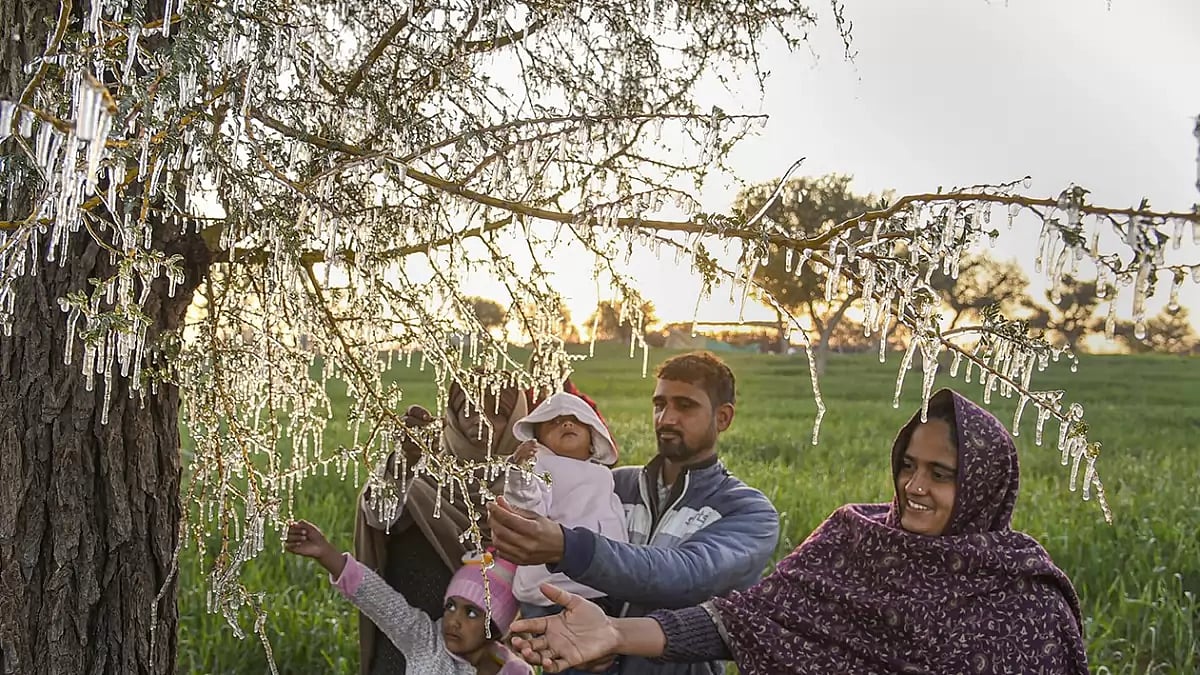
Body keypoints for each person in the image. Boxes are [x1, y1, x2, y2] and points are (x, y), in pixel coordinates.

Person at [506, 388, 1090, 675]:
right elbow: (748, 620)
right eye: (908, 465)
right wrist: (612, 632)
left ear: (984, 487)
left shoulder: (1024, 600)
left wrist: (570, 548)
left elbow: (686, 574)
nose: (914, 487)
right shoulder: (856, 542)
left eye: (941, 475)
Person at [488, 351, 781, 675]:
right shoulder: (612, 484)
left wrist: (568, 548)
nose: (667, 418)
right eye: (660, 404)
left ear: (723, 417)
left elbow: (686, 576)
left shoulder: (748, 514)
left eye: (685, 406)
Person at [354, 378, 530, 674]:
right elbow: (380, 515)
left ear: (517, 421)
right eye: (468, 410)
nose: (480, 421)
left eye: (497, 413)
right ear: (452, 417)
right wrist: (404, 463)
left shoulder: (532, 490)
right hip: (406, 650)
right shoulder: (421, 477)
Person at [285, 520, 532, 675]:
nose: (453, 620)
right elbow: (379, 599)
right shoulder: (426, 641)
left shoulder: (516, 670)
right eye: (451, 606)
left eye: (471, 613)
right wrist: (326, 554)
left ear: (496, 627)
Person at [504, 391, 626, 674]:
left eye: (574, 421)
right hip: (553, 592)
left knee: (600, 660)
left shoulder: (601, 473)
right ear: (540, 440)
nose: (566, 425)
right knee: (563, 661)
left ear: (593, 434)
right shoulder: (545, 468)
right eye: (554, 423)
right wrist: (521, 473)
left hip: (599, 586)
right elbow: (528, 505)